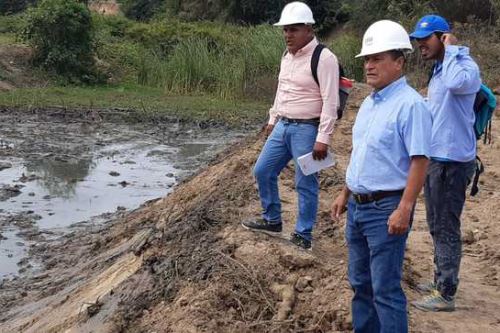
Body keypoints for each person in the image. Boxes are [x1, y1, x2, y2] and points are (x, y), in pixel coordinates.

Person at [330, 20, 431, 332]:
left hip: (386, 209)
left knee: (385, 290)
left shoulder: (410, 105)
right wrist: (346, 193)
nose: (369, 66)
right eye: (367, 60)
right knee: (361, 285)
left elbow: (420, 160)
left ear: (399, 62)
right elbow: (363, 154)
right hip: (359, 207)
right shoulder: (370, 103)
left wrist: (405, 207)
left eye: (377, 59)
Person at [241, 1, 339, 250]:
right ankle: (272, 220)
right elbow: (281, 90)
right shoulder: (287, 56)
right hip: (283, 125)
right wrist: (272, 120)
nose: (288, 34)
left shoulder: (324, 58)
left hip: (307, 129)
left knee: (305, 182)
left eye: (293, 29)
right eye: (285, 29)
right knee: (262, 170)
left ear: (308, 29)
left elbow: (330, 100)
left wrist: (323, 138)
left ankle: (303, 234)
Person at [409, 14, 481, 312]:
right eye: (417, 40)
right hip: (436, 158)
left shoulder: (464, 67)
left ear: (443, 37)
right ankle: (441, 279)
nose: (420, 45)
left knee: (447, 225)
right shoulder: (439, 69)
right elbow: (435, 107)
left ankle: (447, 292)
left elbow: (455, 85)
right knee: (435, 224)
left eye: (425, 39)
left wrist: (451, 49)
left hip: (454, 161)